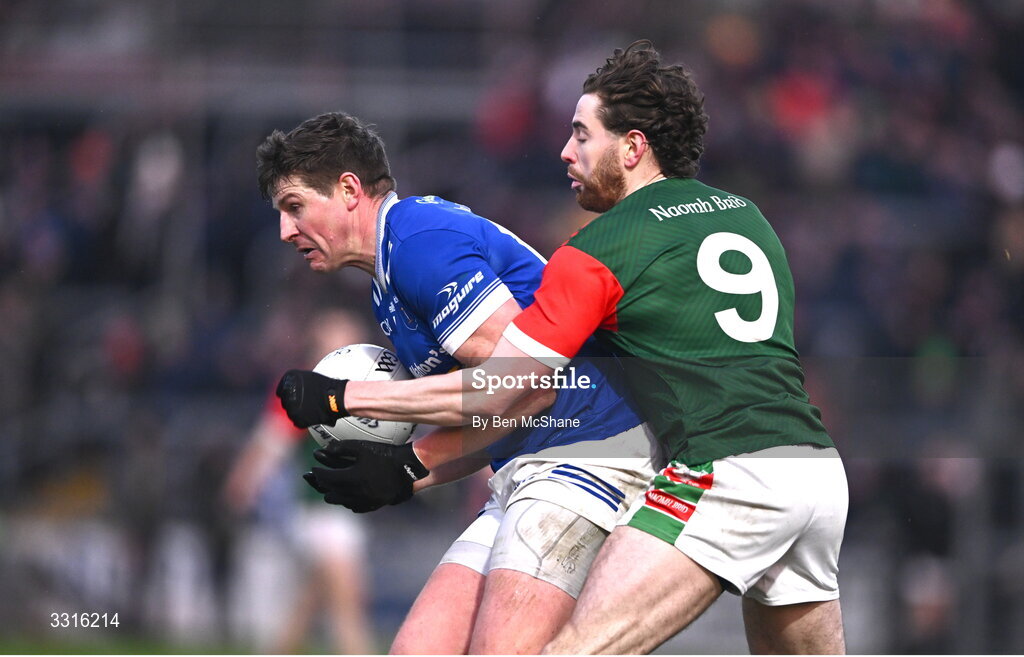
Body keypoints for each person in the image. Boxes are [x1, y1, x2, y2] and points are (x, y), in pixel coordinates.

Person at [277, 41, 849, 654]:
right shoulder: (746, 216)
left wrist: (342, 399)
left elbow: (509, 384)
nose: (565, 151)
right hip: (817, 471)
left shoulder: (600, 247)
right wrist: (413, 468)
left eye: (582, 135)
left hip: (718, 469)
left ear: (632, 148)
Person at [256, 111, 659, 654]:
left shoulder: (420, 245)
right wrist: (407, 472)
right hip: (530, 465)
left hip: (589, 455)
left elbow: (527, 387)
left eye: (295, 207)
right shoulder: (388, 279)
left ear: (348, 190)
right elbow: (505, 411)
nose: (285, 231)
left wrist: (342, 398)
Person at [222, 309, 375, 654]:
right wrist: (244, 481)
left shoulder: (365, 389)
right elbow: (272, 440)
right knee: (348, 604)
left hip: (341, 510)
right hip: (320, 510)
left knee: (308, 605)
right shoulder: (307, 388)